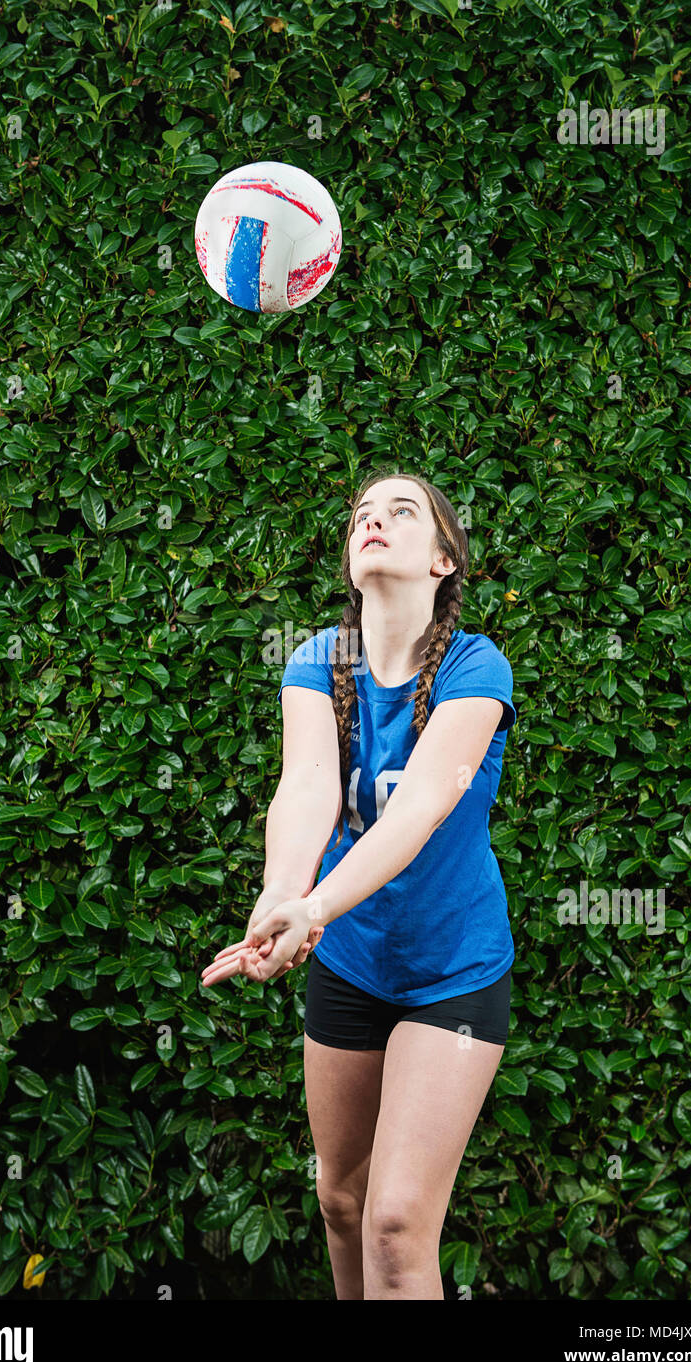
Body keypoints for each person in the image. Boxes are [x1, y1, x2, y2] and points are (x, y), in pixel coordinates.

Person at [200, 470, 518, 1299]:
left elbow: (415, 814)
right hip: (351, 963)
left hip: (453, 974)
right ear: (349, 556)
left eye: (400, 511)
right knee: (340, 1200)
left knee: (395, 1223)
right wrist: (281, 897)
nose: (374, 521)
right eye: (362, 515)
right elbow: (304, 787)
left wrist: (315, 907)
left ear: (444, 559)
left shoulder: (476, 667)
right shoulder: (316, 659)